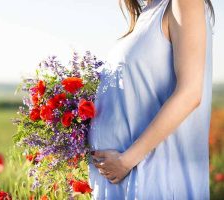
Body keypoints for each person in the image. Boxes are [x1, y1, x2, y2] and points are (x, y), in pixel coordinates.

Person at [87, 0, 215, 199]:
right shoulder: (147, 14)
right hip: (122, 179)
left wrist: (125, 161)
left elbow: (190, 93)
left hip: (152, 178)